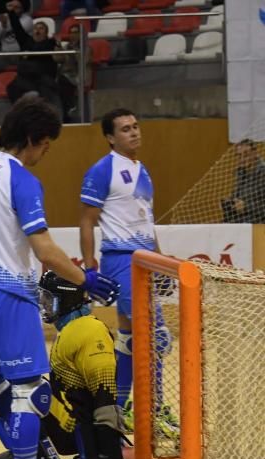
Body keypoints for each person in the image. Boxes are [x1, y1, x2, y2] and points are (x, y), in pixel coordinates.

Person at [0, 97, 119, 459]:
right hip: (8, 295)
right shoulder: (21, 179)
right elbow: (44, 249)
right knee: (32, 393)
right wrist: (86, 279)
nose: (46, 153)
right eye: (45, 145)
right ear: (31, 140)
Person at [79, 108, 161, 428]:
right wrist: (89, 268)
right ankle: (153, 410)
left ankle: (119, 408)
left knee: (129, 337)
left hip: (145, 260)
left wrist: (161, 262)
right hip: (122, 260)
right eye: (126, 129)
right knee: (154, 336)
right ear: (111, 138)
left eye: (136, 126)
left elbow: (146, 221)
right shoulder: (102, 170)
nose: (134, 132)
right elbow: (86, 222)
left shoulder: (142, 169)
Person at [38, 271, 133, 459]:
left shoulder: (89, 330)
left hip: (73, 429)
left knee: (24, 393)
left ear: (67, 299)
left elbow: (105, 397)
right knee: (27, 388)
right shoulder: (72, 328)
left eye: (50, 300)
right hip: (73, 424)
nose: (45, 307)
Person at [6, 16, 61, 111]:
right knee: (11, 87)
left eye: (41, 28)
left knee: (46, 88)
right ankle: (20, 111)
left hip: (44, 77)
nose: (38, 30)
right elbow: (17, 28)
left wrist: (58, 45)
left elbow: (58, 57)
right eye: (36, 28)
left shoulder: (50, 43)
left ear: (46, 33)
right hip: (26, 78)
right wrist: (11, 13)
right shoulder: (27, 42)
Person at [222, 139, 265, 223]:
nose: (242, 159)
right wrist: (230, 203)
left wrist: (246, 206)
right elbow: (238, 198)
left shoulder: (263, 173)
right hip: (242, 221)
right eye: (239, 155)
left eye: (246, 155)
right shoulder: (240, 173)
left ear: (255, 153)